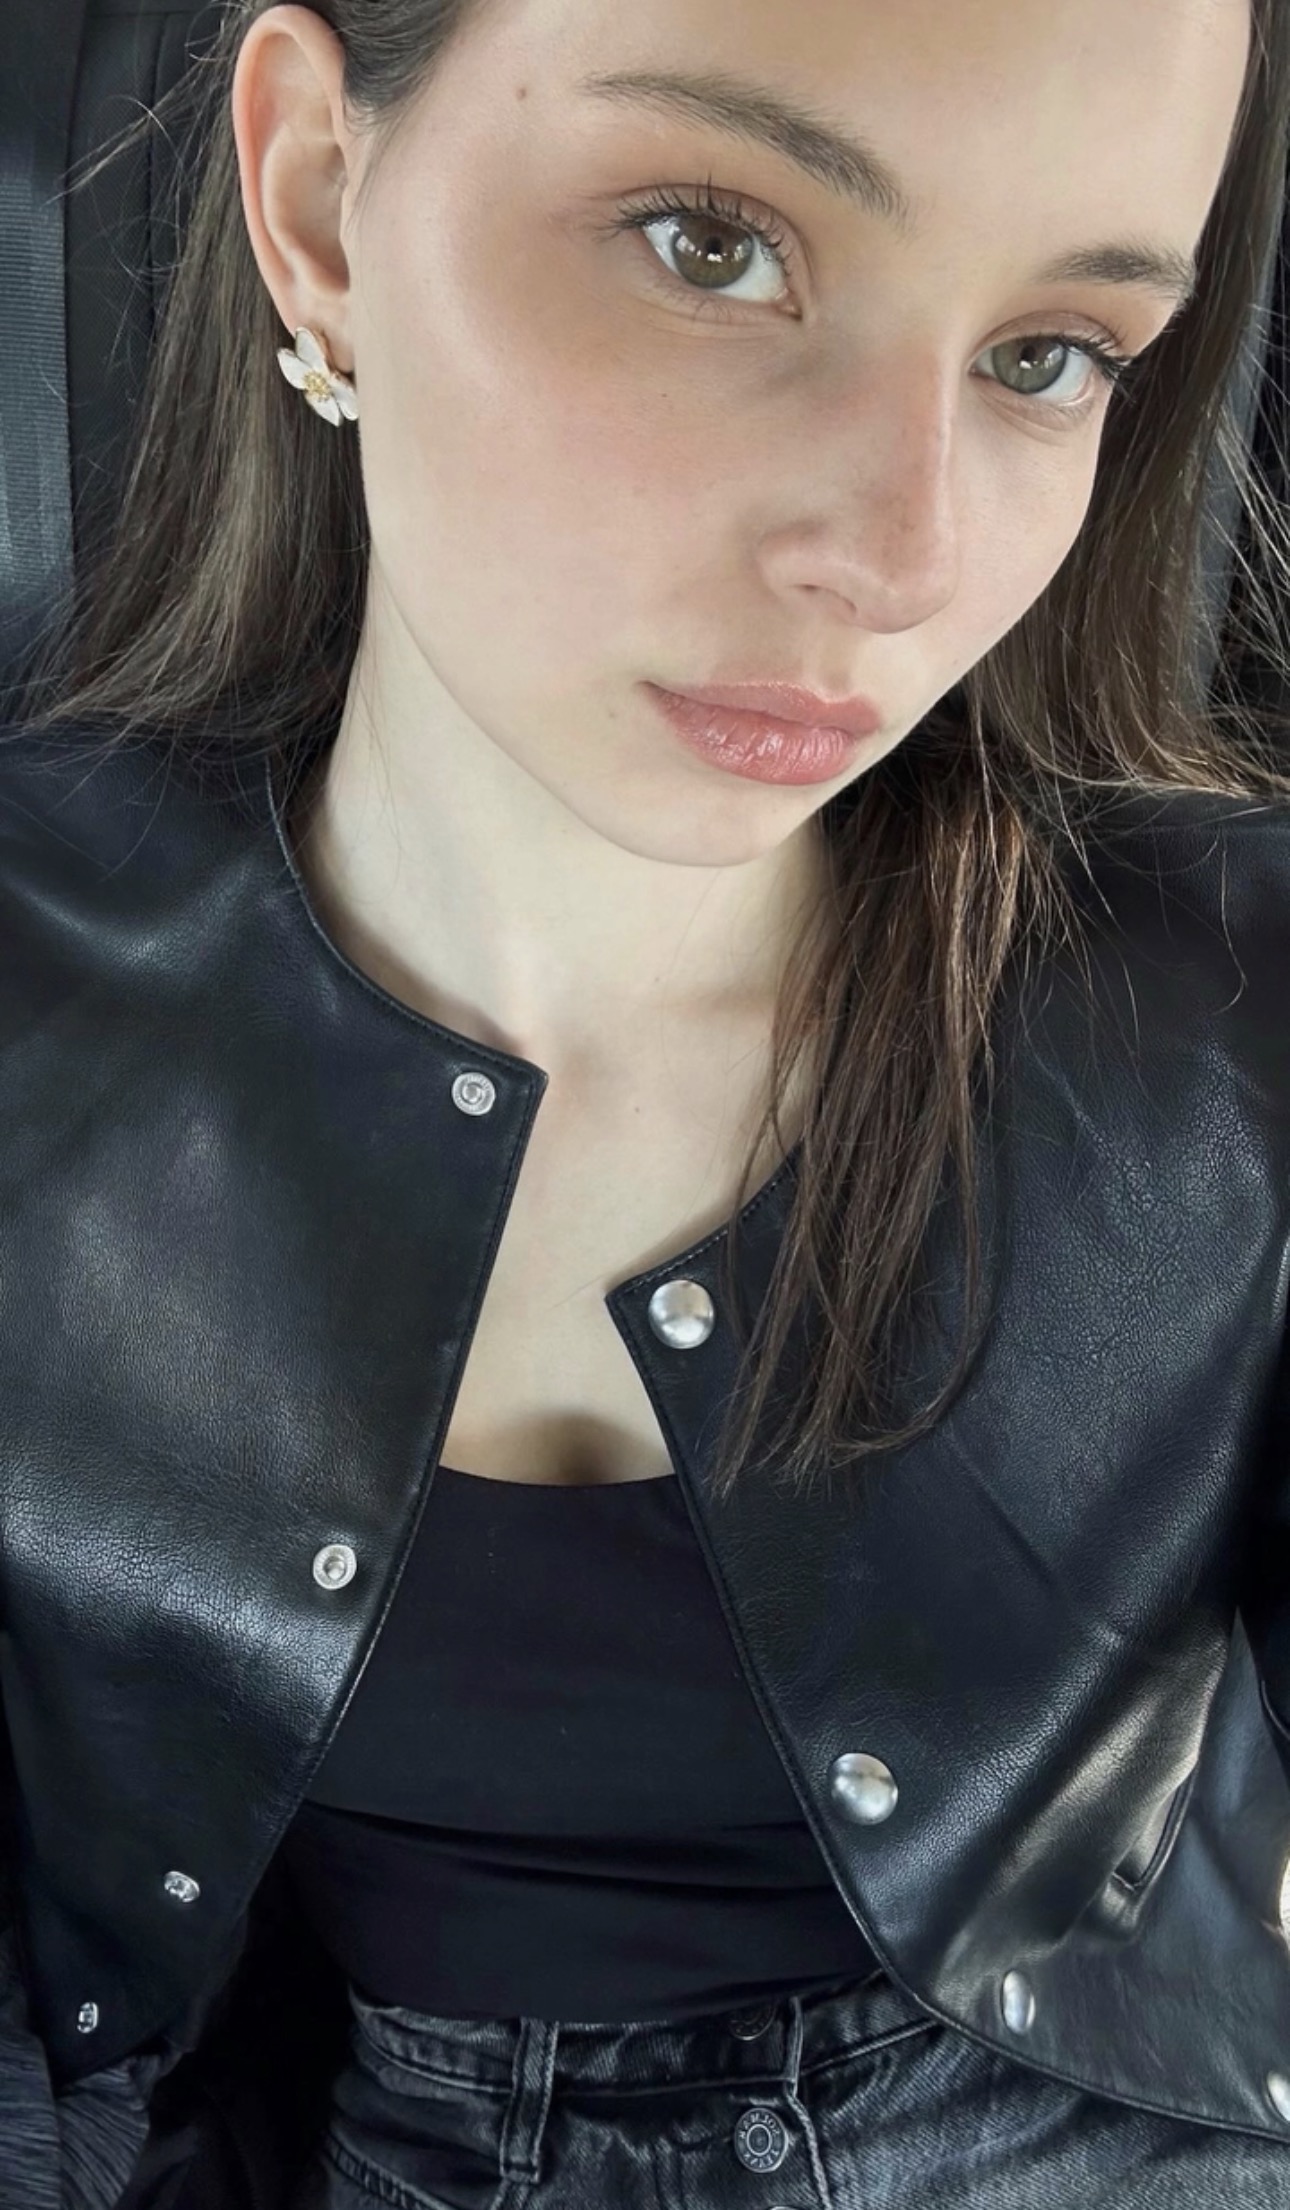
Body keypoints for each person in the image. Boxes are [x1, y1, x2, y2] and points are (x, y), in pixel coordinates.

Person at [2, 0, 1290, 2202]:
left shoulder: (1235, 1010)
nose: (898, 555)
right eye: (710, 243)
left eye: (1049, 354)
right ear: (317, 200)